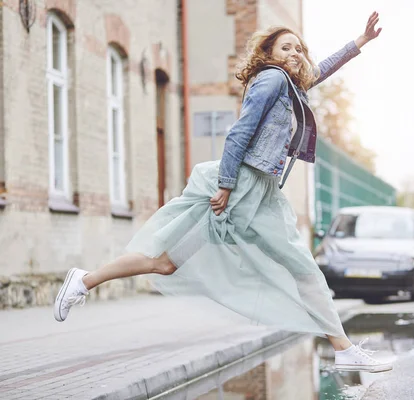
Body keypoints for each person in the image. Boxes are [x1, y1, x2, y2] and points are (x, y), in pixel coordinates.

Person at [54, 12, 391, 372]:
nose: (295, 52)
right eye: (286, 47)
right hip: (241, 185)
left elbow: (319, 70)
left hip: (259, 190)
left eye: (299, 48)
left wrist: (359, 42)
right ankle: (343, 349)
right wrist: (227, 187)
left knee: (173, 262)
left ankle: (84, 280)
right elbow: (238, 134)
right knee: (293, 267)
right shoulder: (272, 79)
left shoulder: (291, 84)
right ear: (270, 53)